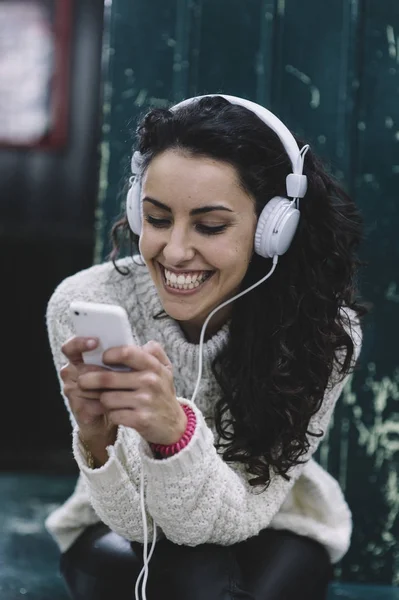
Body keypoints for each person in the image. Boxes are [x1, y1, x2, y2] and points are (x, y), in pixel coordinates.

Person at [45, 94, 365, 600]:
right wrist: (98, 438)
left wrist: (172, 432)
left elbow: (233, 518)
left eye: (210, 226)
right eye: (156, 218)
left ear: (271, 230)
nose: (174, 251)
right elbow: (134, 521)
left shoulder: (322, 332)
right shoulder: (86, 302)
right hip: (114, 527)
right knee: (191, 581)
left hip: (272, 524)